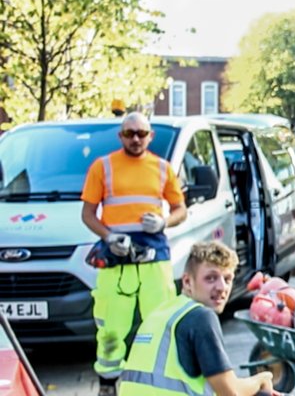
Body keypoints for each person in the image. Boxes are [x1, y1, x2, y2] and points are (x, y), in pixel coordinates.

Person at [80, 112, 187, 396]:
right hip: (117, 257)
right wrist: (109, 236)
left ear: (150, 136)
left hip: (154, 254)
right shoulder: (103, 167)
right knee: (111, 328)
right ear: (121, 136)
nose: (136, 139)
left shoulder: (162, 168)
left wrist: (165, 222)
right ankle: (107, 385)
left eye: (142, 133)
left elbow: (181, 210)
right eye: (130, 133)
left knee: (159, 322)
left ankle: (156, 385)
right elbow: (88, 214)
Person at [118, 241, 274, 396]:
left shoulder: (160, 314)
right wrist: (261, 379)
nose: (221, 288)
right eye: (211, 278)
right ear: (187, 282)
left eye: (227, 279)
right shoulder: (201, 317)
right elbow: (231, 392)